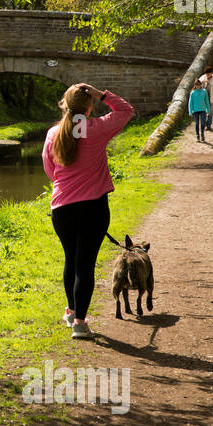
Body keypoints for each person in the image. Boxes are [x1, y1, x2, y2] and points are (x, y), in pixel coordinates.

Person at [42, 83, 135, 339]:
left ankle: (72, 312)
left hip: (62, 208)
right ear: (89, 106)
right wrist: (102, 94)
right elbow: (126, 111)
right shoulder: (97, 129)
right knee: (85, 266)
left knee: (70, 260)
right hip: (93, 208)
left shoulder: (53, 134)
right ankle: (80, 324)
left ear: (65, 105)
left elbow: (50, 171)